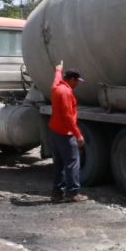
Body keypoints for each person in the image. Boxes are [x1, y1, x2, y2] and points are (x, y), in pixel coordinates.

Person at [49, 62, 87, 203]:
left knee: (58, 164)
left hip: (55, 131)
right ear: (71, 79)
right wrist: (78, 135)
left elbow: (56, 79)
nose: (77, 83)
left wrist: (58, 70)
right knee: (72, 163)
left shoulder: (56, 87)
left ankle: (57, 193)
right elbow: (68, 117)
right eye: (77, 80)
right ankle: (72, 193)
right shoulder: (65, 92)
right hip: (65, 133)